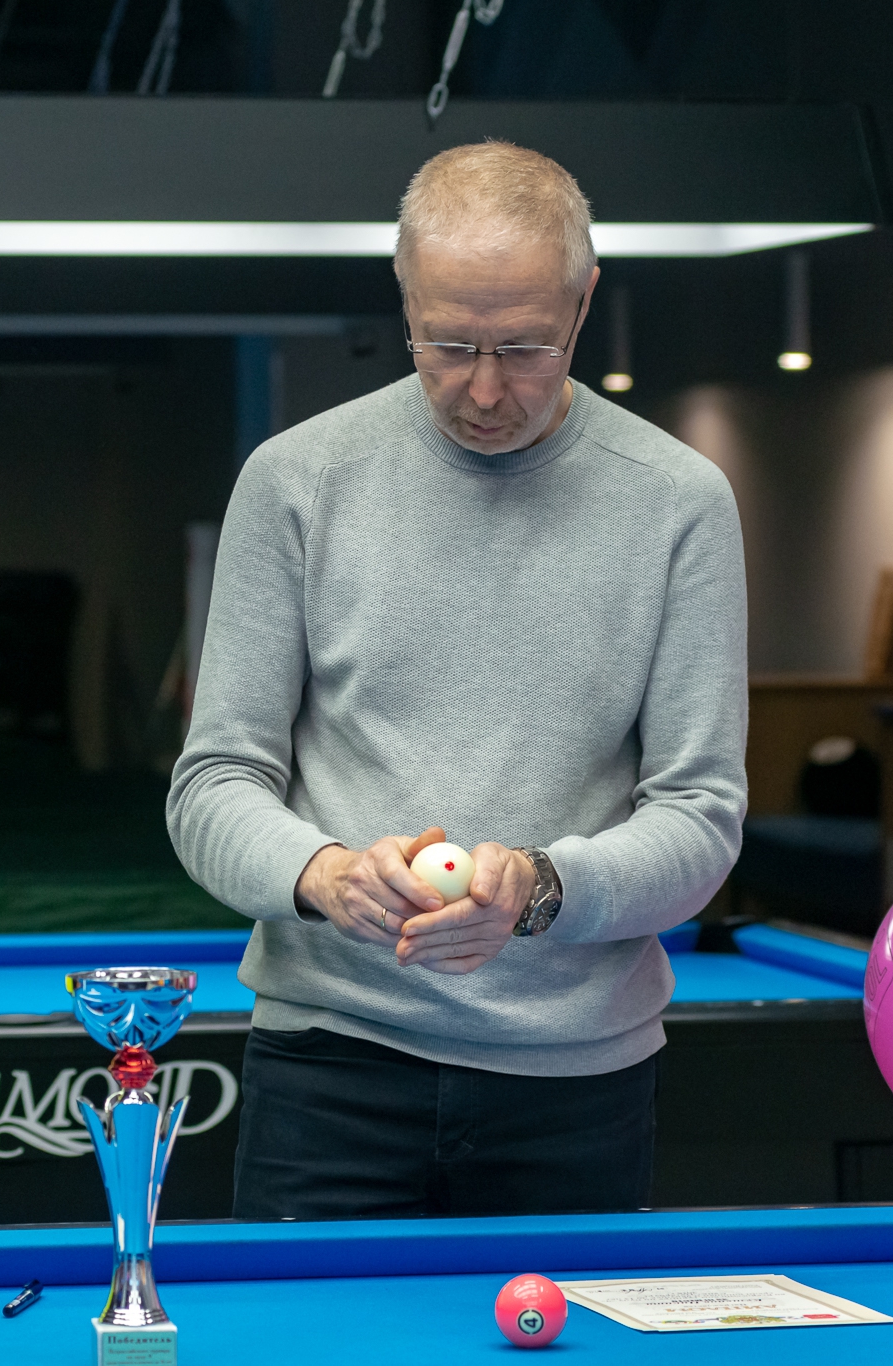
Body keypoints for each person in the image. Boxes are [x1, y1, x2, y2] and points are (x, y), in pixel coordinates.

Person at [167, 141, 747, 1221]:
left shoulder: (679, 502)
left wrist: (542, 888)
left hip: (576, 1087)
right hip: (329, 1067)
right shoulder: (295, 481)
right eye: (447, 344)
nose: (484, 390)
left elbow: (702, 819)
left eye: (524, 347)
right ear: (403, 296)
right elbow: (211, 787)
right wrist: (327, 874)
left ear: (584, 301)